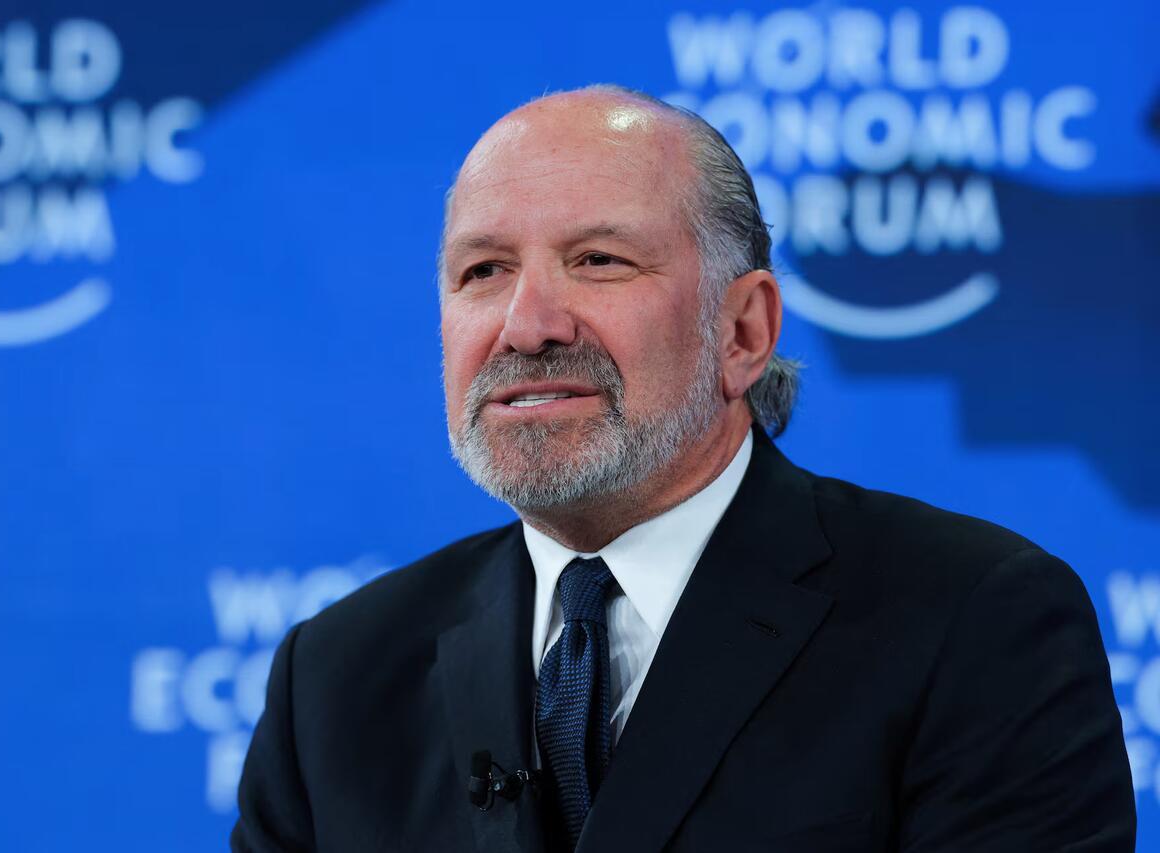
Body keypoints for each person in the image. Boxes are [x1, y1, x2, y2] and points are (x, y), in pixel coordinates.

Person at [230, 85, 1135, 852]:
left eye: (598, 260)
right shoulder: (335, 680)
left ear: (743, 331)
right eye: (483, 271)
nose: (527, 324)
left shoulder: (974, 623)